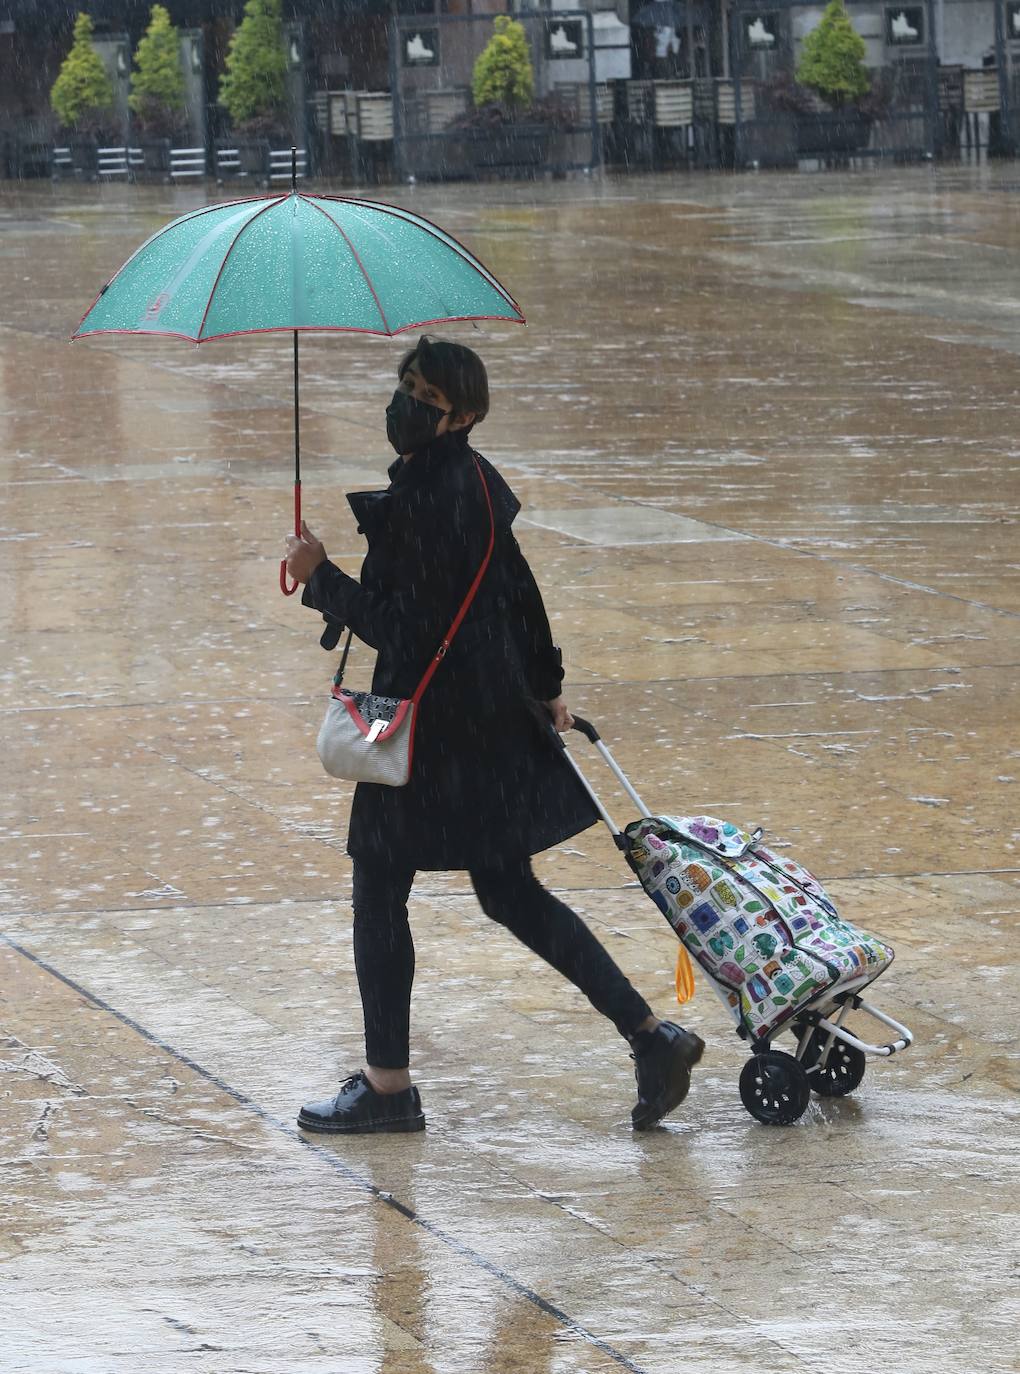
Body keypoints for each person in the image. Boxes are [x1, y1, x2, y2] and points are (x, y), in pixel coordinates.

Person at [284, 336, 703, 1134]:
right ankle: (653, 1039)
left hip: (433, 731)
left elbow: (402, 631)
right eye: (405, 386)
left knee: (378, 887)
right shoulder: (476, 481)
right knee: (508, 890)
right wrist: (546, 689)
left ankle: (387, 1087)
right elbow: (519, 592)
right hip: (491, 720)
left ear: (463, 414)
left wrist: (321, 579)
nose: (405, 404)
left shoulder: (419, 503)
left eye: (426, 397)